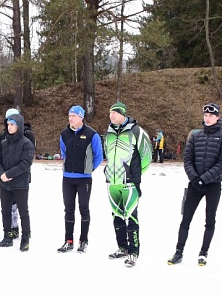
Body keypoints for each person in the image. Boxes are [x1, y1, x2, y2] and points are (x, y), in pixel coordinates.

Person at [168, 102, 222, 266]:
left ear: (218, 117)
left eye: (211, 115)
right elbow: (187, 159)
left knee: (210, 219)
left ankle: (203, 252)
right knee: (186, 218)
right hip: (195, 184)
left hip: (213, 185)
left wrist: (205, 179)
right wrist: (194, 178)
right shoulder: (195, 136)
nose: (208, 118)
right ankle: (179, 251)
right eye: (205, 115)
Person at [103, 102, 152, 267]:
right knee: (117, 216)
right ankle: (122, 247)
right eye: (110, 113)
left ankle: (133, 252)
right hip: (112, 183)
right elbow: (107, 154)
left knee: (131, 217)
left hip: (129, 183)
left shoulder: (136, 131)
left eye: (114, 113)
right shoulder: (108, 133)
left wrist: (134, 175)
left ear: (122, 114)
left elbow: (146, 156)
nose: (111, 116)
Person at [57, 105, 103, 254]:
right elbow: (64, 153)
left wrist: (88, 169)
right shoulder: (64, 134)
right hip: (67, 178)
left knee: (84, 208)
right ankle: (68, 241)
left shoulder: (92, 134)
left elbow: (98, 156)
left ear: (81, 117)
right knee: (68, 209)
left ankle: (83, 241)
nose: (70, 119)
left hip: (84, 179)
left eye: (74, 116)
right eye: (69, 116)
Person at [0, 113, 34, 251]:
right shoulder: (3, 143)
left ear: (19, 126)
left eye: (12, 124)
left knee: (23, 212)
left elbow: (25, 163)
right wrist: (2, 174)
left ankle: (25, 238)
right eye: (8, 124)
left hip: (20, 184)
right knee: (5, 211)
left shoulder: (26, 143)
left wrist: (9, 174)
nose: (9, 127)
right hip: (5, 183)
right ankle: (7, 236)